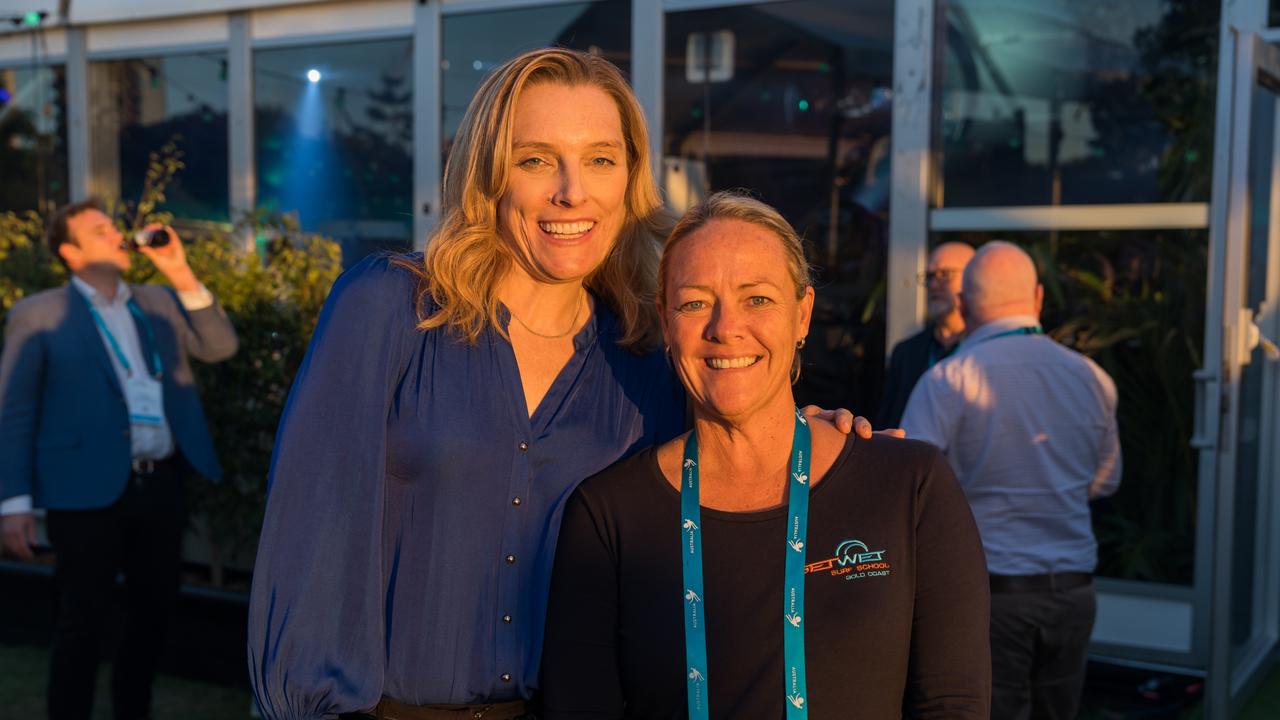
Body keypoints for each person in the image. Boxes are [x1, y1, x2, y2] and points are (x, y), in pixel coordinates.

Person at [246, 49, 869, 720]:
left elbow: (721, 489)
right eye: (535, 159)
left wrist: (817, 436)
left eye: (601, 159)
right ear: (489, 175)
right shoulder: (391, 308)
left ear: (630, 178)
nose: (572, 192)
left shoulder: (644, 363)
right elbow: (311, 542)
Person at [539, 192, 990, 720]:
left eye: (757, 299)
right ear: (665, 323)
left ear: (803, 315)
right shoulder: (610, 514)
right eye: (695, 302)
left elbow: (952, 703)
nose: (725, 328)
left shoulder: (909, 485)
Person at [0, 198, 238, 720]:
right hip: (82, 490)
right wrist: (13, 503)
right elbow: (14, 413)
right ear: (70, 251)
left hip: (159, 486)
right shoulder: (38, 315)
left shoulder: (157, 300)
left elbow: (220, 346)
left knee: (153, 616)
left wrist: (178, 269)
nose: (116, 234)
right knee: (81, 622)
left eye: (114, 226)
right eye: (101, 229)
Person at [900, 241, 1122, 720]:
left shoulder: (947, 381)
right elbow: (1105, 482)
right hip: (1073, 592)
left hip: (989, 595)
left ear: (962, 304)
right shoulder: (1093, 378)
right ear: (1038, 297)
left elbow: (907, 493)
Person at [875, 241, 974, 428]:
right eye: (929, 276)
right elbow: (887, 424)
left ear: (972, 279)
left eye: (945, 275)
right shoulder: (906, 353)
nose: (934, 285)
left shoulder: (987, 349)